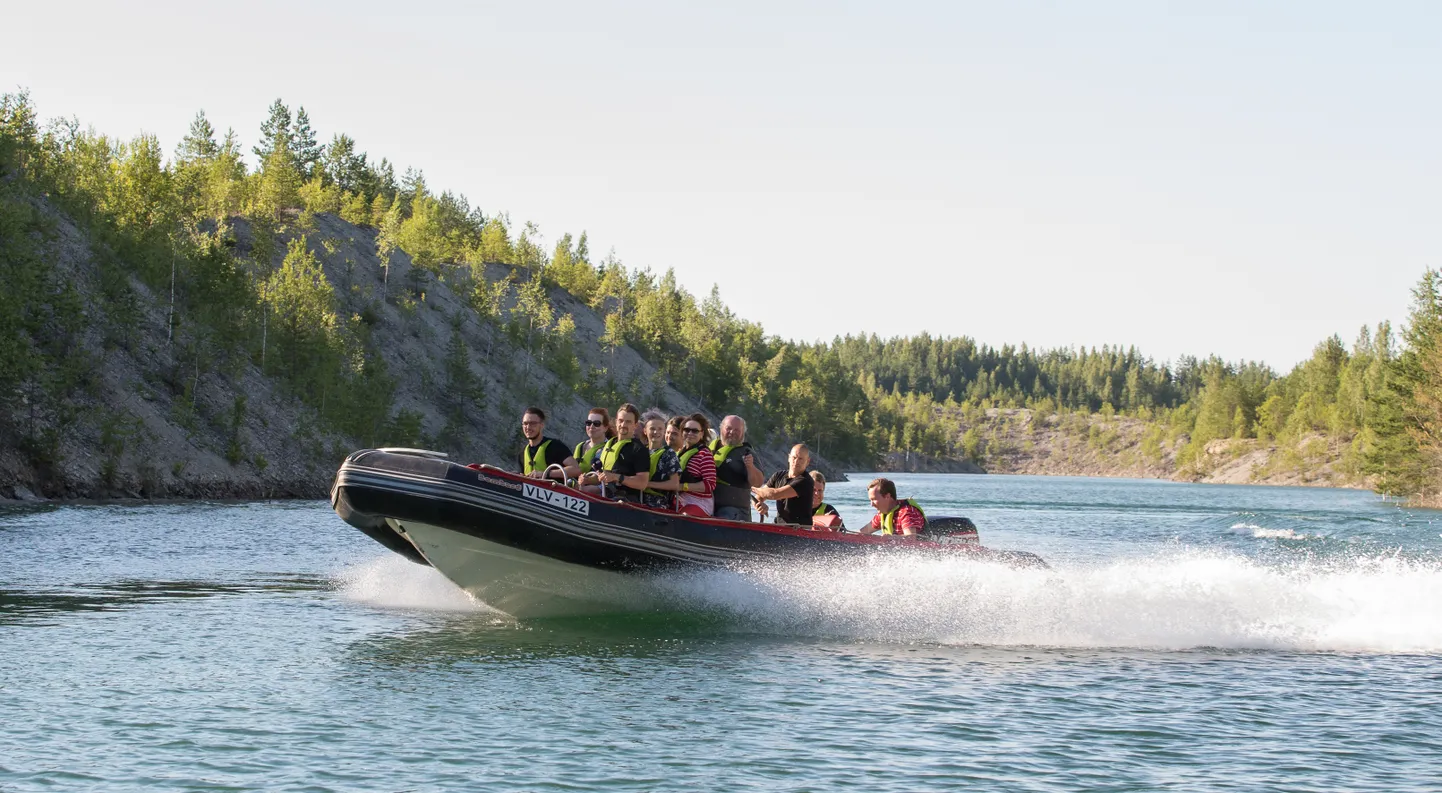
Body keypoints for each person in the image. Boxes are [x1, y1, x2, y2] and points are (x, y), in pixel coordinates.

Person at [577, 403, 650, 501]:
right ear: (616, 422)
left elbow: (642, 483)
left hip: (624, 499)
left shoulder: (639, 449)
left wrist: (617, 477)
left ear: (635, 425)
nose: (623, 425)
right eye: (621, 421)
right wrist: (587, 479)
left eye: (628, 422)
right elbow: (603, 476)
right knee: (577, 489)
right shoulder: (609, 444)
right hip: (605, 491)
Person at [709, 415, 765, 521]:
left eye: (737, 430)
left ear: (743, 432)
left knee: (724, 516)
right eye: (728, 428)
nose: (732, 432)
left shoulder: (747, 452)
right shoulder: (710, 447)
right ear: (721, 428)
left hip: (733, 511)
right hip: (708, 505)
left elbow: (758, 482)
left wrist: (750, 467)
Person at [666, 413, 717, 516]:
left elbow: (710, 484)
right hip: (679, 499)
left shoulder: (705, 454)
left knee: (683, 517)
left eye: (695, 431)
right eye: (686, 430)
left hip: (698, 503)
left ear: (702, 434)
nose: (690, 433)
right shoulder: (680, 452)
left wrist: (682, 487)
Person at [752, 444, 815, 526]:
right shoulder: (778, 475)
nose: (796, 462)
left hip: (799, 530)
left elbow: (775, 494)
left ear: (807, 461)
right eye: (794, 457)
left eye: (801, 459)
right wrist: (759, 505)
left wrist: (752, 488)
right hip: (780, 526)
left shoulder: (805, 481)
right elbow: (758, 497)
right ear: (789, 457)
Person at [516, 407, 580, 482]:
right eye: (525, 423)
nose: (528, 427)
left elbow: (576, 469)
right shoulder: (522, 453)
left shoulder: (555, 446)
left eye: (533, 423)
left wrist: (546, 474)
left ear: (542, 425)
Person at [639, 409, 680, 511]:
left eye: (660, 429)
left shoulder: (669, 454)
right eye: (652, 428)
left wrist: (647, 484)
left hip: (656, 503)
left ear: (664, 431)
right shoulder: (639, 451)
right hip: (636, 498)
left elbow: (674, 484)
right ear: (645, 431)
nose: (656, 432)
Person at [859, 478, 926, 537]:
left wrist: (892, 538)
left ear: (887, 496)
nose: (871, 504)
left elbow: (911, 538)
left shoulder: (907, 512)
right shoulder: (882, 514)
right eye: (870, 500)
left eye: (874, 499)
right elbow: (862, 532)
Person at [573, 407, 614, 474]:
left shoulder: (609, 450)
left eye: (596, 423)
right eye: (588, 423)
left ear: (605, 428)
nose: (591, 426)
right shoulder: (580, 446)